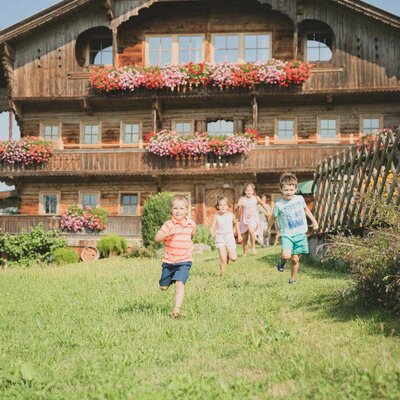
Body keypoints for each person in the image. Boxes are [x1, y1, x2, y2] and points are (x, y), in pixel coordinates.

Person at [267, 172, 319, 285]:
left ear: (295, 189)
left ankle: (293, 279)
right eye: (286, 190)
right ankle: (282, 262)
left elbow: (306, 210)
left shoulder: (300, 199)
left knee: (295, 259)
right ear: (281, 189)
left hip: (300, 234)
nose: (288, 192)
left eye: (291, 190)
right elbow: (273, 217)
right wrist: (267, 229)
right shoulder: (279, 204)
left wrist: (314, 221)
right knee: (286, 255)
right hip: (287, 235)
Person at [155, 195, 195, 317]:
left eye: (181, 208)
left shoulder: (191, 224)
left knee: (180, 283)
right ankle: (170, 278)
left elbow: (191, 236)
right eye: (175, 208)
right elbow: (157, 238)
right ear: (171, 210)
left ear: (186, 210)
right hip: (169, 261)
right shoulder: (168, 225)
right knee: (163, 287)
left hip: (184, 260)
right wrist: (167, 234)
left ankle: (176, 310)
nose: (178, 211)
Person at [210, 196, 242, 276]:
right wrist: (212, 233)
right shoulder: (216, 216)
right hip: (220, 237)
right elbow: (212, 226)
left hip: (229, 237)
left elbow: (236, 224)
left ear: (228, 206)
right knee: (222, 258)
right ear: (217, 206)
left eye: (225, 205)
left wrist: (239, 235)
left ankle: (228, 255)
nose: (223, 207)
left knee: (233, 258)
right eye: (221, 205)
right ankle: (222, 274)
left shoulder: (231, 215)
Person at [237, 183, 272, 256]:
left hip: (254, 218)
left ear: (253, 191)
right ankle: (245, 252)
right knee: (245, 237)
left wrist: (268, 211)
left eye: (251, 190)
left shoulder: (256, 198)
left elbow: (262, 204)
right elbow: (237, 207)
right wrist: (238, 206)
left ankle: (253, 248)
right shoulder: (242, 199)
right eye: (247, 190)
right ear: (244, 191)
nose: (249, 192)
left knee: (251, 229)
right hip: (244, 219)